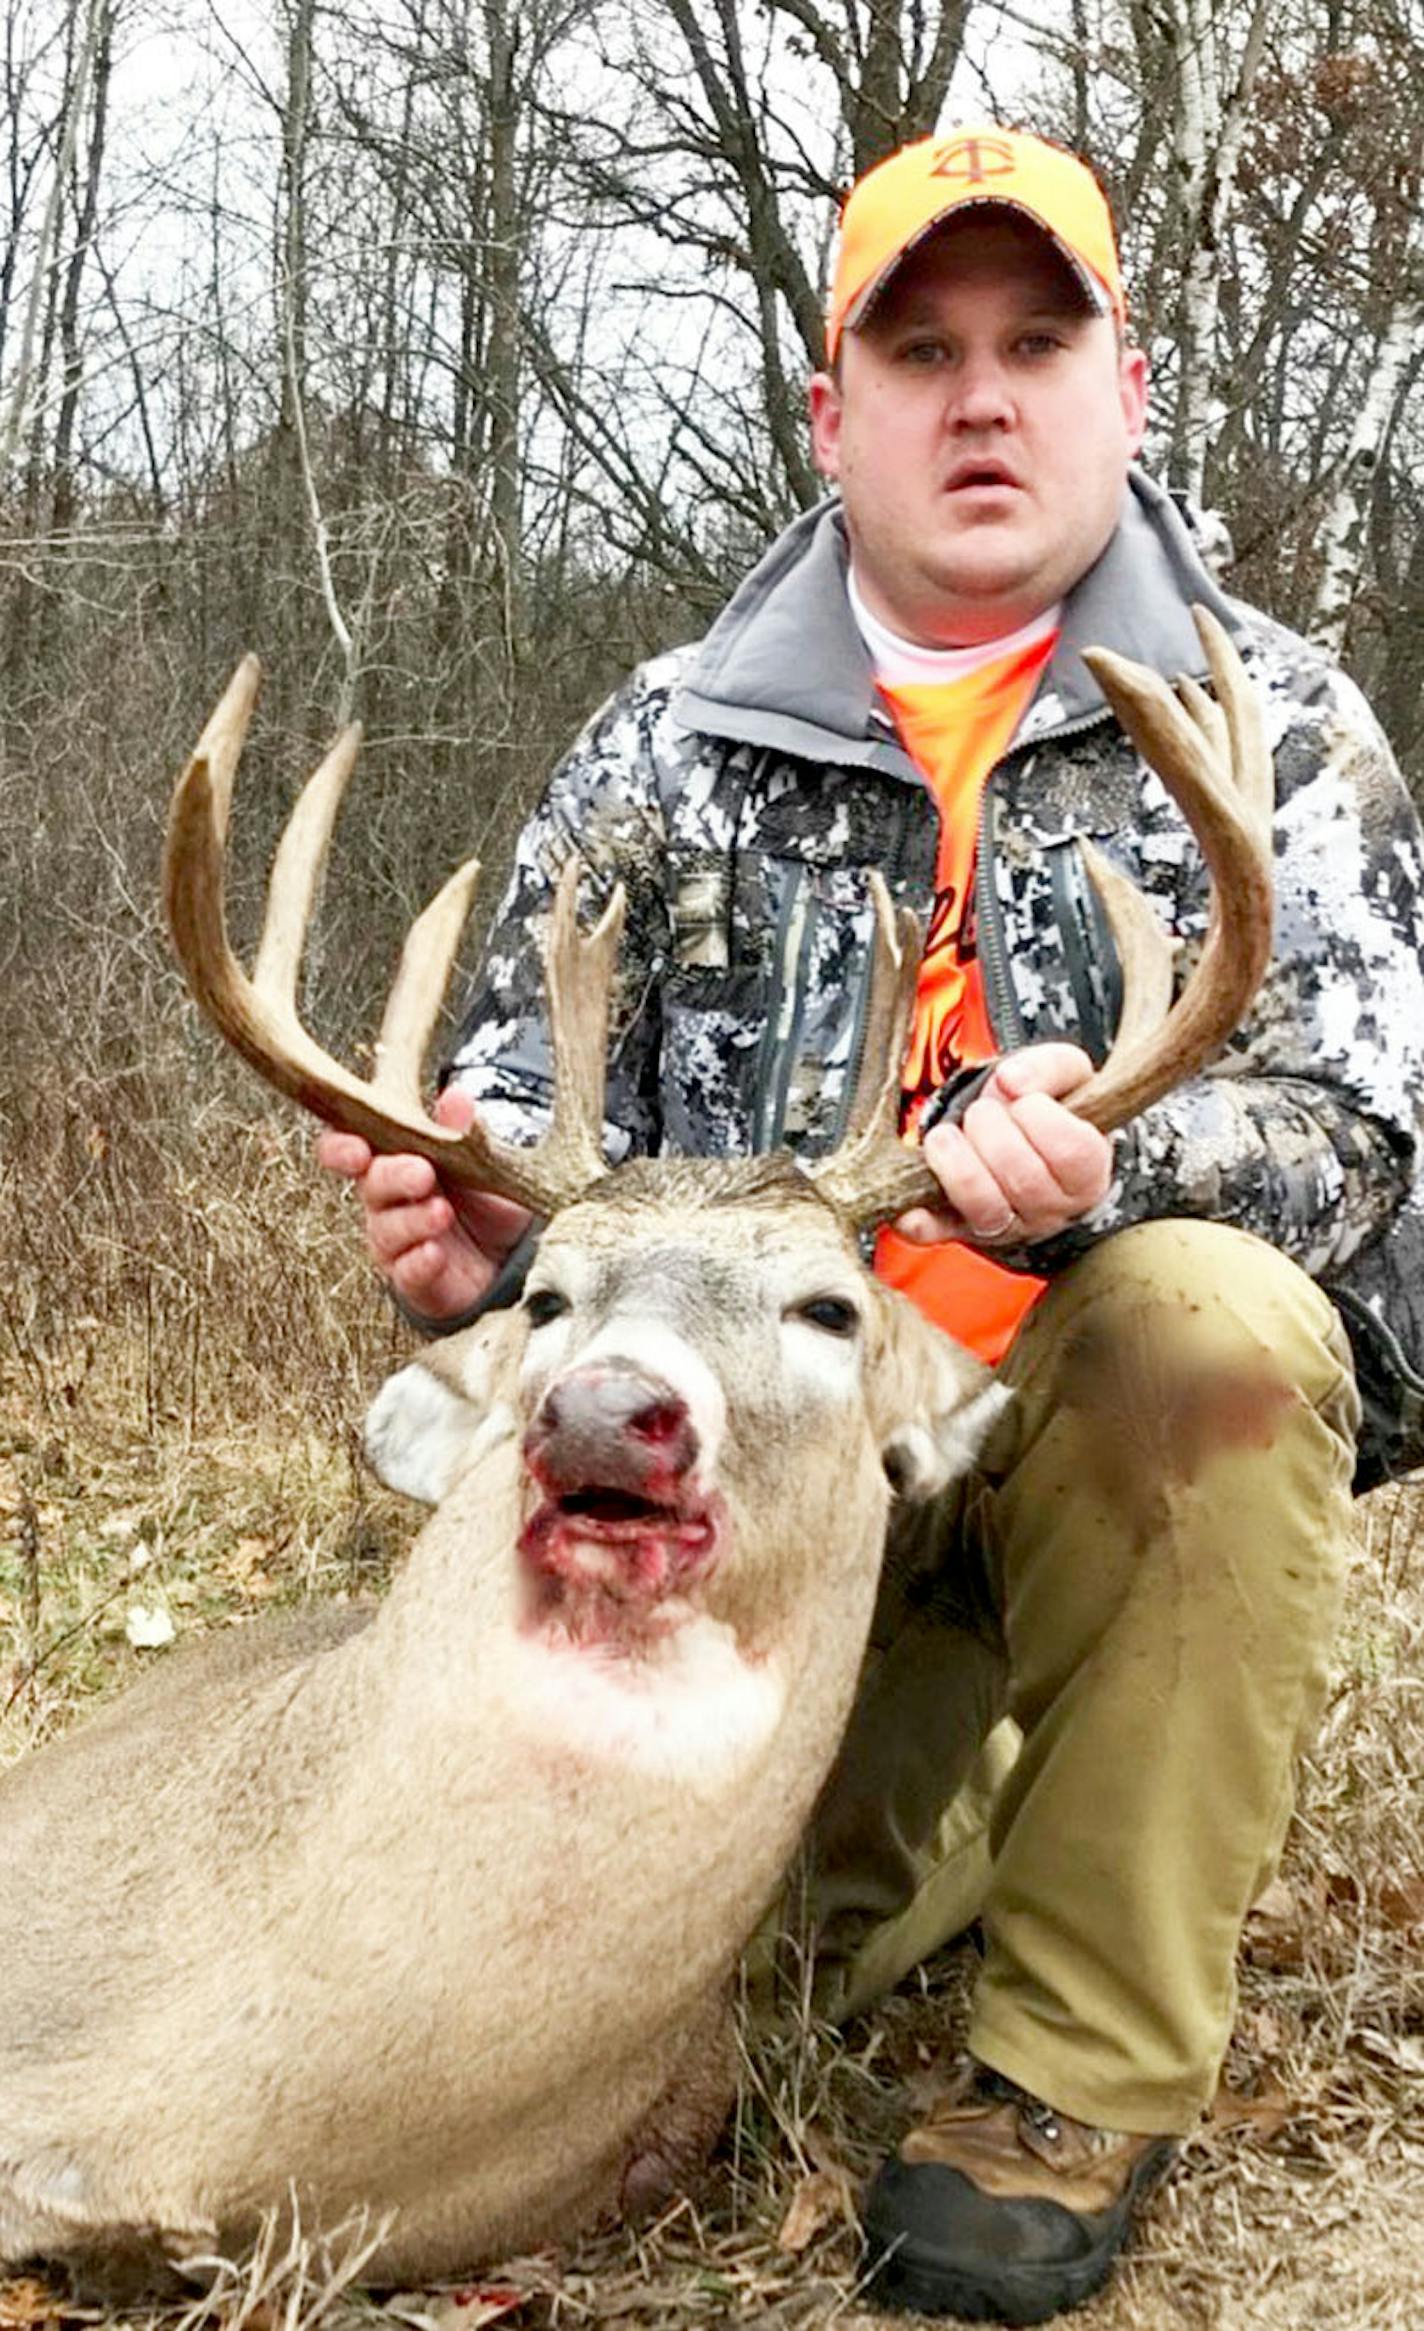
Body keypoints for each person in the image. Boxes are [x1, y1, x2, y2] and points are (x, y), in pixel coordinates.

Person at [320, 126, 1424, 2325]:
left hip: (1058, 1444)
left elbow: (1361, 1120)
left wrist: (1132, 1169)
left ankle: (1068, 2070)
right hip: (761, 1484)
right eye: (918, 349)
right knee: (676, 1990)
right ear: (832, 413)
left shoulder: (1266, 723)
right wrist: (470, 1224)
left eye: (1037, 341)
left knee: (1203, 1324)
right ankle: (940, 1814)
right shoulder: (667, 741)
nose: (981, 396)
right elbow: (535, 1114)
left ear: (1128, 386)